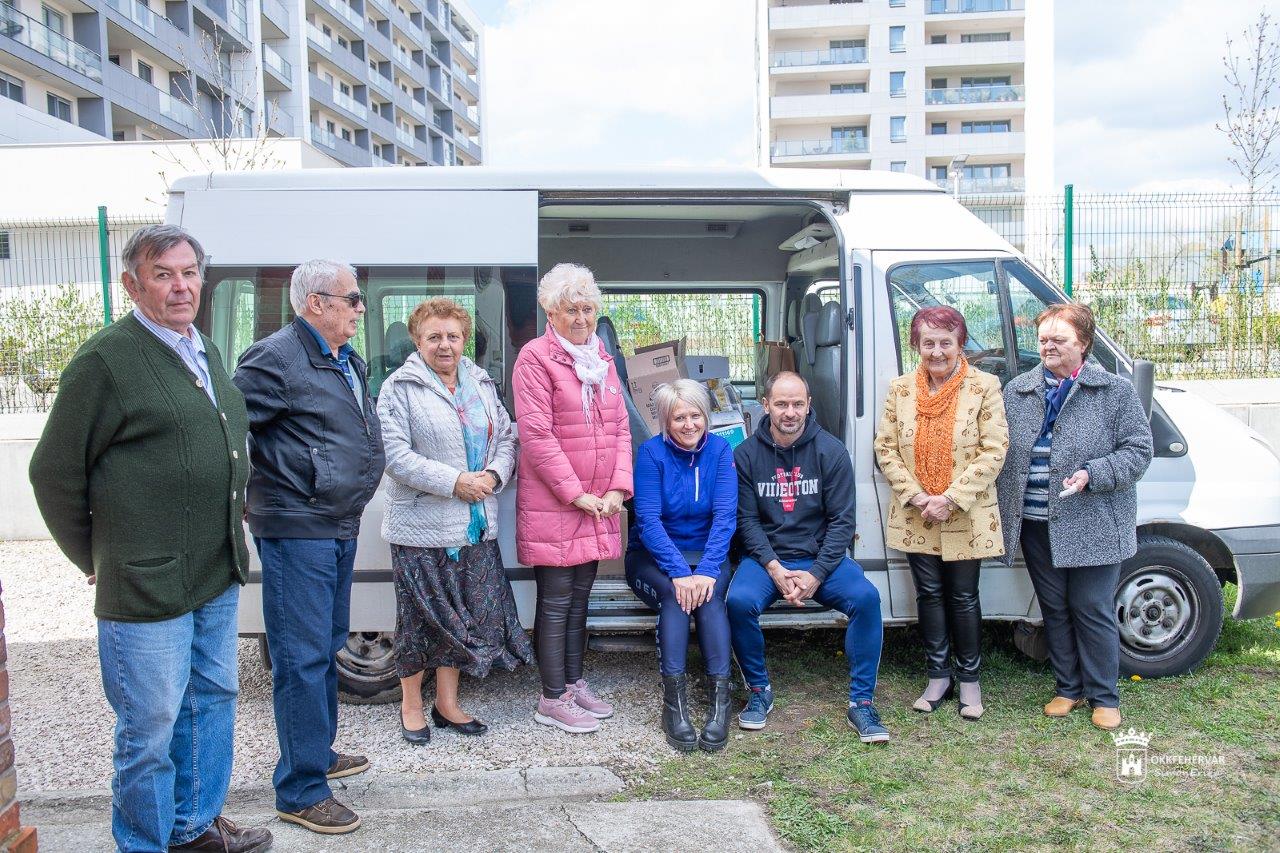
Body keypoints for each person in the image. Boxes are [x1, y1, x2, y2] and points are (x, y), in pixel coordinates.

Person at [29, 225, 271, 853]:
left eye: (190, 271)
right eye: (163, 274)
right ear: (132, 283)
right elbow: (54, 472)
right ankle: (143, 843)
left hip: (214, 569)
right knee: (151, 726)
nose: (181, 286)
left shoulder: (203, 350)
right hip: (144, 579)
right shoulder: (106, 360)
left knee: (211, 701)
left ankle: (193, 829)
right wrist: (97, 556)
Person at [233, 259, 385, 834]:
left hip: (335, 522)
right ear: (315, 303)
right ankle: (299, 790)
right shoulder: (274, 358)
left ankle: (316, 755)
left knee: (324, 646)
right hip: (299, 526)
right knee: (300, 658)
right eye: (351, 299)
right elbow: (227, 429)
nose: (359, 309)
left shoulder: (345, 359)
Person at [377, 298, 533, 745]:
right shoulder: (399, 388)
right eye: (434, 337)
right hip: (421, 530)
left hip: (474, 526)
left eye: (453, 336)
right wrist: (455, 482)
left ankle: (447, 705)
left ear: (465, 340)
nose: (445, 345)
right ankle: (411, 707)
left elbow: (506, 437)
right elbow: (395, 457)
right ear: (416, 340)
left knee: (462, 621)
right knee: (419, 621)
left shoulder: (481, 383)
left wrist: (494, 475)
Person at [996, 303, 1153, 731]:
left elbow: (1139, 451)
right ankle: (1069, 688)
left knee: (1091, 606)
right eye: (1043, 338)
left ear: (1082, 343)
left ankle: (1105, 696)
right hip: (1035, 521)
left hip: (1095, 519)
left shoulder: (1114, 391)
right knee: (1055, 608)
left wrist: (1094, 472)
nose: (1048, 346)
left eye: (1059, 339)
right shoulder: (1019, 390)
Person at [726, 371, 890, 743]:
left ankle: (862, 703)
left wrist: (815, 575)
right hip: (767, 559)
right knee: (737, 601)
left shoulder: (830, 452)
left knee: (866, 598)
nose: (790, 412)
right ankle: (758, 692)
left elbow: (842, 523)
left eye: (798, 404)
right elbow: (746, 522)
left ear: (808, 405)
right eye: (781, 404)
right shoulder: (746, 456)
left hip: (820, 558)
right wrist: (773, 567)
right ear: (765, 405)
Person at [512, 262, 632, 734]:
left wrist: (618, 488)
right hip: (560, 504)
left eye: (587, 308)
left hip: (599, 502)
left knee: (582, 598)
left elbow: (621, 426)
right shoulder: (535, 358)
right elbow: (538, 437)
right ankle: (551, 696)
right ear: (551, 311)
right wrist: (579, 495)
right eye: (570, 309)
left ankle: (573, 682)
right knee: (557, 600)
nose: (581, 318)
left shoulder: (599, 356)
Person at [873, 306, 1009, 720]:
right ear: (916, 344)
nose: (937, 351)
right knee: (929, 594)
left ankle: (970, 681)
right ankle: (938, 676)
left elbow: (994, 449)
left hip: (965, 511)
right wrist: (917, 497)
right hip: (917, 513)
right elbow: (885, 448)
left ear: (959, 344)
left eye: (945, 342)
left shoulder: (984, 385)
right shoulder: (900, 389)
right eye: (928, 342)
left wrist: (949, 497)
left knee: (964, 596)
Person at [626, 379, 736, 753]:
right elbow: (648, 521)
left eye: (695, 415)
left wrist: (705, 571)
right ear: (664, 422)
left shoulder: (721, 451)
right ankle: (674, 705)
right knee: (676, 597)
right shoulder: (651, 454)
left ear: (705, 416)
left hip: (708, 556)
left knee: (709, 598)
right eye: (679, 418)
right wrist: (678, 572)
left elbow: (725, 517)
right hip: (653, 556)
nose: (689, 425)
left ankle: (720, 702)